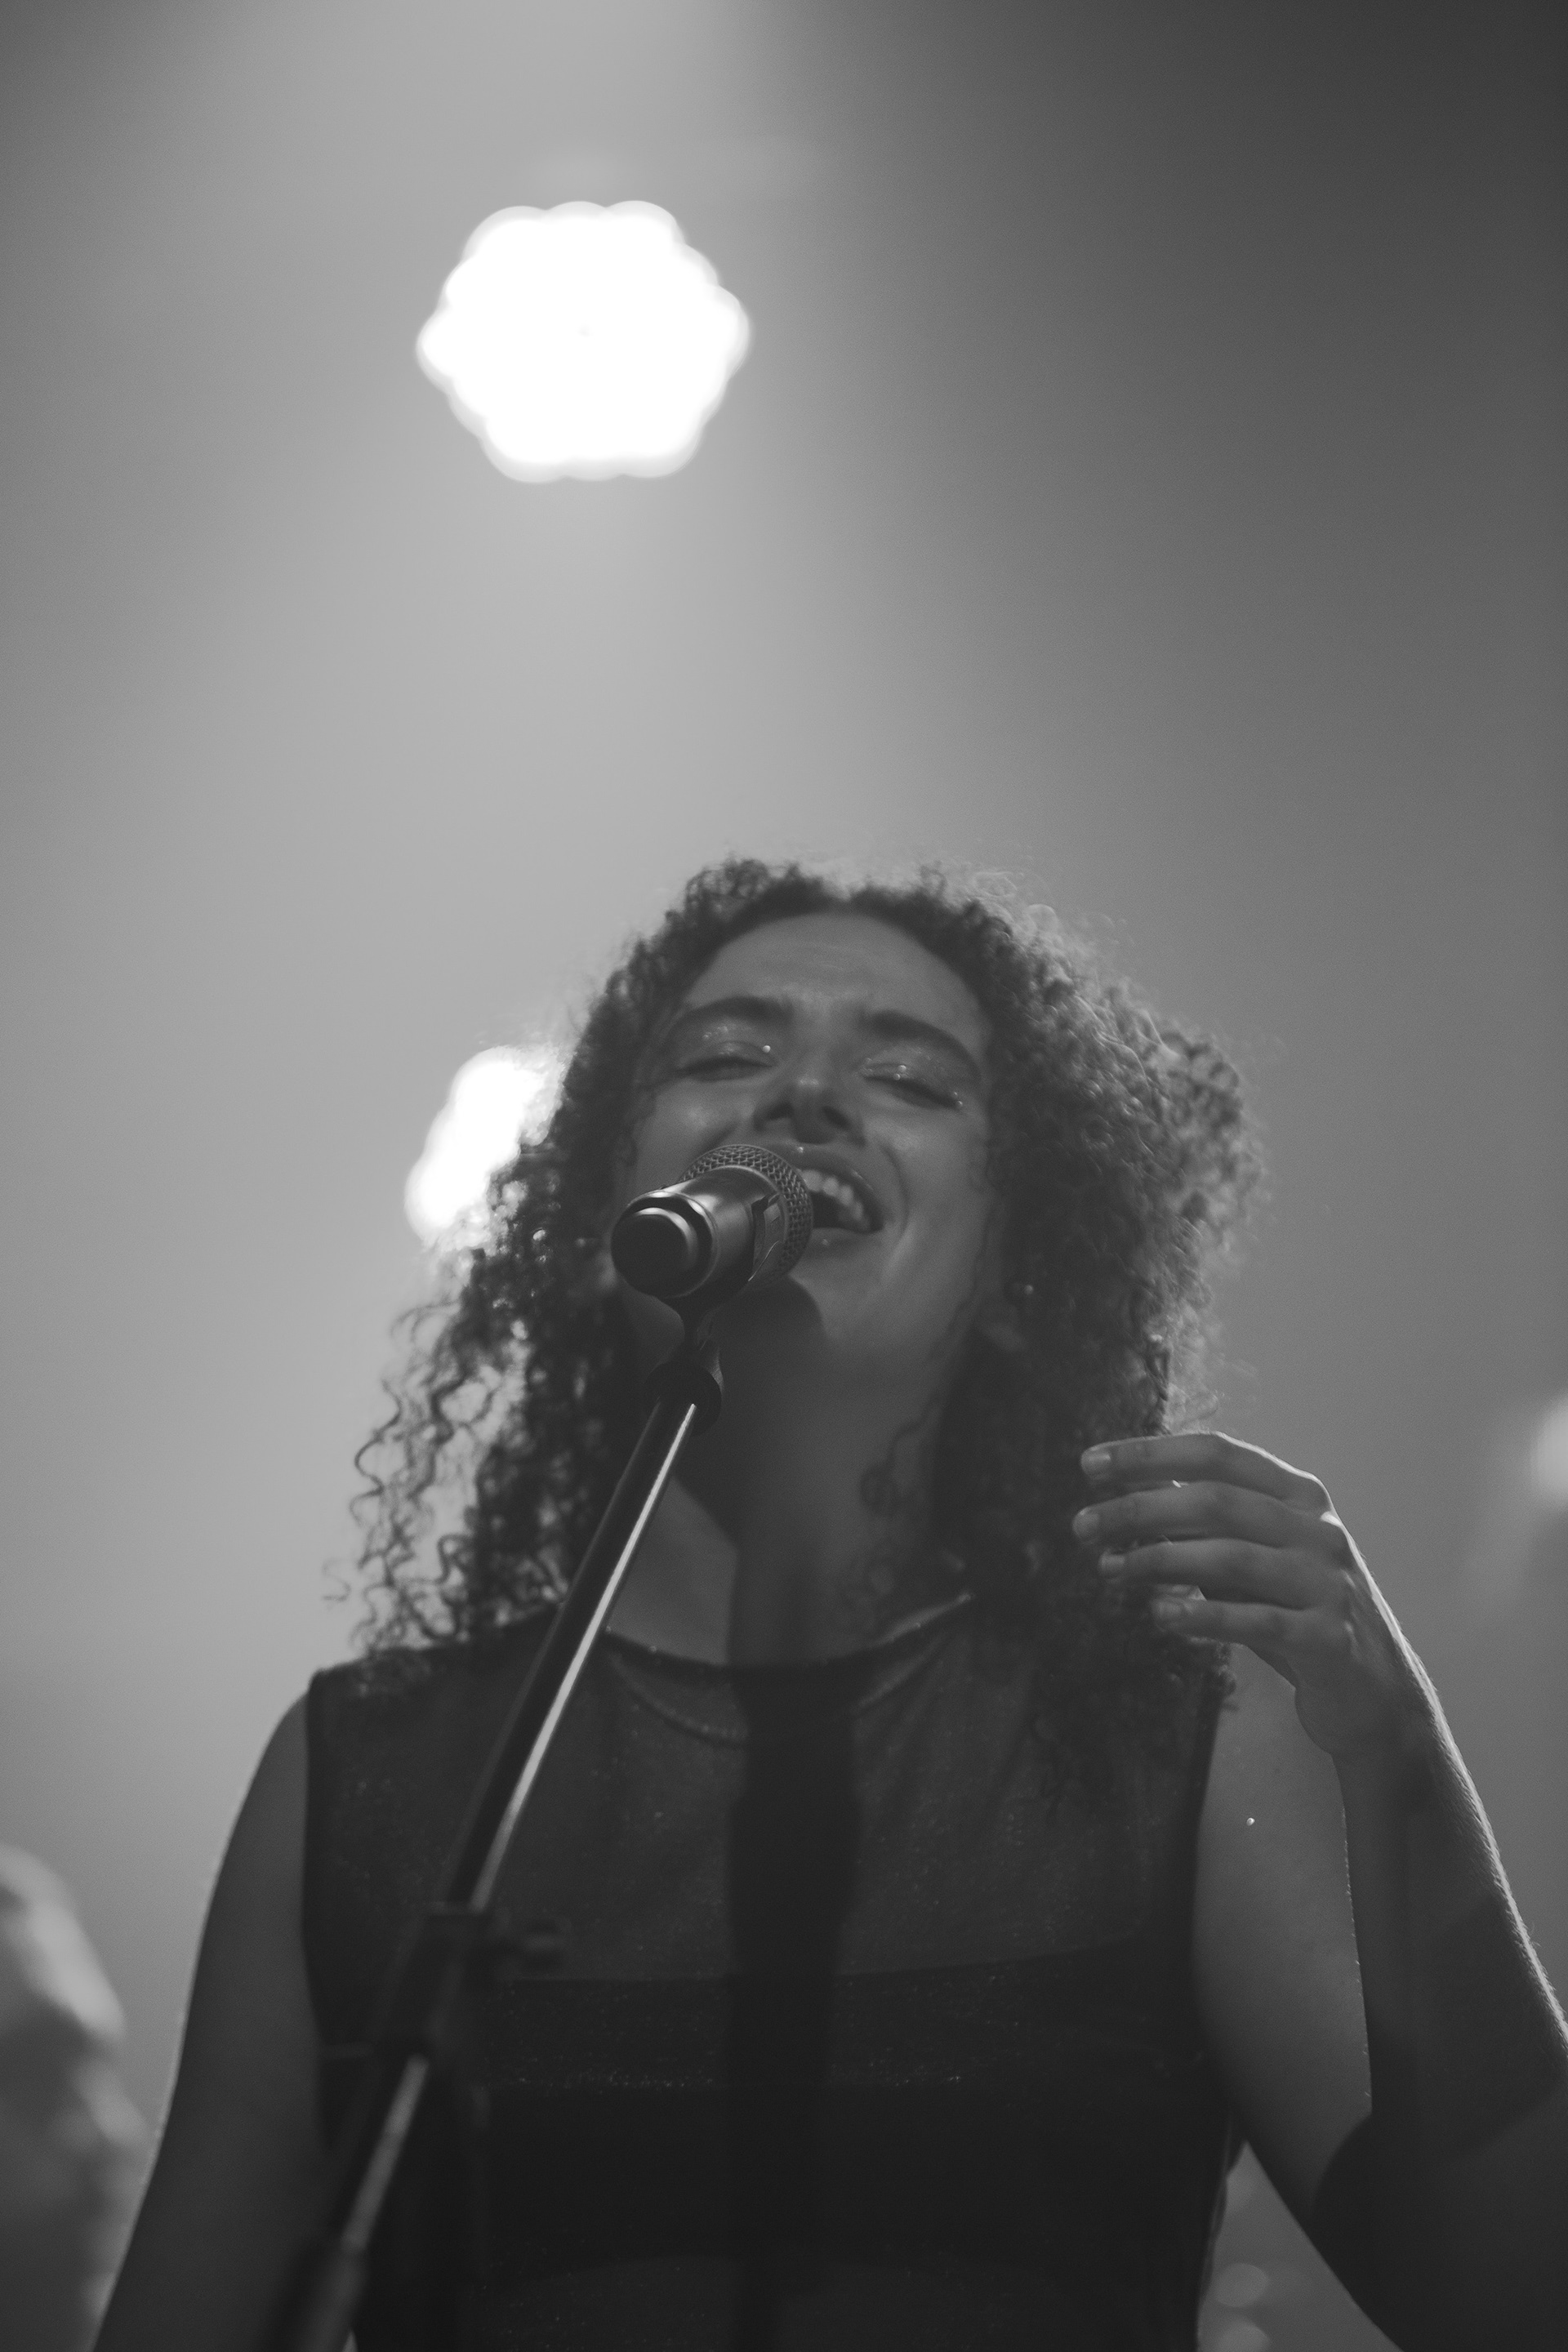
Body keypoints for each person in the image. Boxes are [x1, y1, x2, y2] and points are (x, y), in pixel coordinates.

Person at [97, 861, 1568, 2350]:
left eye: (909, 1079)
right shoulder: (366, 1777)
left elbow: (1513, 2298)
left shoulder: (1170, 1730)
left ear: (1011, 1270)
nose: (802, 1095)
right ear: (603, 1220)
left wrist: (1400, 1765)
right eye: (725, 1056)